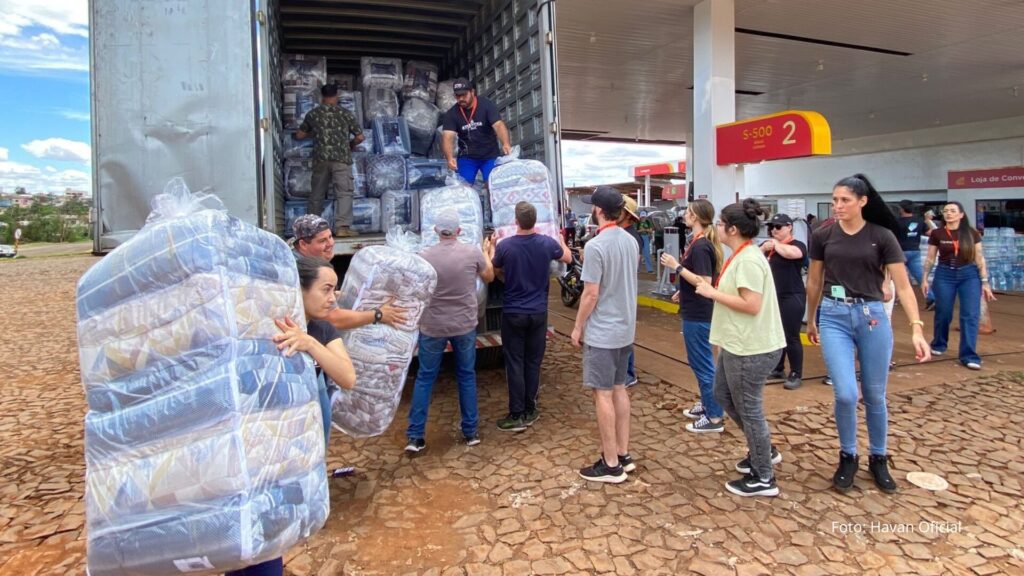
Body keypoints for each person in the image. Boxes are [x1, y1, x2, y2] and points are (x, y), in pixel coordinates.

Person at [806, 174, 930, 494]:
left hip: (872, 316)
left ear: (862, 202)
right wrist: (811, 319)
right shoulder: (822, 235)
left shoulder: (882, 236)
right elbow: (815, 281)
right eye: (835, 200)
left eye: (845, 200)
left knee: (875, 394)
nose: (838, 205)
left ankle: (878, 457)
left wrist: (916, 328)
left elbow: (903, 285)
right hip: (833, 316)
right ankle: (848, 455)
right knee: (846, 393)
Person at [234, 257, 357, 576]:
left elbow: (347, 377)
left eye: (334, 290)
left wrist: (310, 343)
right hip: (260, 446)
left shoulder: (321, 328)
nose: (333, 298)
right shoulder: (266, 325)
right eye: (326, 289)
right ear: (298, 290)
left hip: (297, 440)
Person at [691, 200, 785, 497]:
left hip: (751, 347)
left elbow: (751, 304)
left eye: (720, 224)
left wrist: (712, 293)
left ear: (732, 229)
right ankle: (761, 449)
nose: (717, 228)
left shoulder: (748, 260)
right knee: (723, 395)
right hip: (737, 343)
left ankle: (763, 475)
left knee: (749, 408)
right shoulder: (742, 255)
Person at [405, 211, 495, 452]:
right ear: (459, 231)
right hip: (464, 325)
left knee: (425, 377)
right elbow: (489, 276)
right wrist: (487, 252)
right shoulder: (471, 252)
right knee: (466, 375)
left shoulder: (423, 256)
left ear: (436, 231)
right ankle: (471, 432)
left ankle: (415, 436)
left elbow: (414, 287)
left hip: (433, 326)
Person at [572, 186, 638, 483]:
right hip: (625, 329)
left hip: (603, 331)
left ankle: (610, 464)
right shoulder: (630, 241)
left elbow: (591, 293)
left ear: (598, 210)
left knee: (603, 393)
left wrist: (578, 326)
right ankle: (623, 453)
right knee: (619, 387)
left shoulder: (596, 246)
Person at [491, 202, 572, 432]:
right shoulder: (547, 243)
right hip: (538, 313)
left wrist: (492, 247)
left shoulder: (505, 246)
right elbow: (567, 258)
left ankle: (516, 414)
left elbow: (494, 270)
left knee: (515, 362)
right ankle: (530, 408)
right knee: (533, 362)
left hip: (514, 312)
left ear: (516, 221)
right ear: (535, 221)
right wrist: (561, 239)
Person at [659, 199, 724, 434]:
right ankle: (708, 404)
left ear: (695, 216)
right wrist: (682, 290)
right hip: (695, 310)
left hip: (698, 314)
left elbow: (704, 281)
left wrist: (676, 266)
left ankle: (714, 415)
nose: (685, 215)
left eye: (687, 212)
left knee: (702, 363)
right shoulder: (700, 243)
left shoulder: (700, 246)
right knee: (699, 361)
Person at [291, 214, 406, 330]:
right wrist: (378, 314)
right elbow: (332, 319)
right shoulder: (298, 270)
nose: (330, 243)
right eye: (322, 241)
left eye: (330, 237)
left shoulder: (300, 260)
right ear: (303, 244)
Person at [921, 201, 995, 370]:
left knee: (970, 315)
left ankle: (969, 355)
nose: (949, 213)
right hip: (944, 274)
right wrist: (924, 278)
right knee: (943, 312)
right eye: (946, 211)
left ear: (961, 215)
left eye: (953, 211)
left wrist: (985, 282)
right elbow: (930, 258)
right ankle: (939, 343)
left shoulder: (971, 233)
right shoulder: (937, 233)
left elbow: (979, 258)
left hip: (969, 275)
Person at [295, 83, 365, 238]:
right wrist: (350, 145)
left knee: (317, 194)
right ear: (336, 95)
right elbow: (360, 137)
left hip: (321, 159)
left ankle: (312, 230)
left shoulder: (313, 114)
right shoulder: (345, 114)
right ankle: (342, 227)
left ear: (322, 96)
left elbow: (300, 135)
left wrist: (310, 132)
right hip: (341, 159)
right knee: (344, 193)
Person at [761, 213, 807, 390]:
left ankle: (796, 372)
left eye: (778, 227)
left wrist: (775, 244)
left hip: (792, 295)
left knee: (791, 335)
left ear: (789, 227)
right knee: (776, 333)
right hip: (774, 296)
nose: (774, 230)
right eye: (771, 227)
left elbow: (793, 254)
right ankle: (778, 367)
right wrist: (763, 248)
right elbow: (754, 257)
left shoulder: (797, 244)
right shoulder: (769, 246)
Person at [441, 78, 512, 185]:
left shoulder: (486, 105)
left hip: (490, 155)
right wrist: (449, 158)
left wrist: (505, 143)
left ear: (472, 92)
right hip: (467, 157)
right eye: (458, 96)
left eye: (464, 95)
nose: (461, 99)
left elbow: (498, 125)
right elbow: (447, 137)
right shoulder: (452, 114)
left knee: (493, 184)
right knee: (462, 186)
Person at [897, 200, 927, 288]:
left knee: (899, 278)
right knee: (920, 277)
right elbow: (930, 233)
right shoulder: (919, 220)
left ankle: (904, 293)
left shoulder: (896, 221)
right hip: (915, 251)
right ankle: (930, 294)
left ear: (902, 209)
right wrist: (928, 221)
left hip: (900, 251)